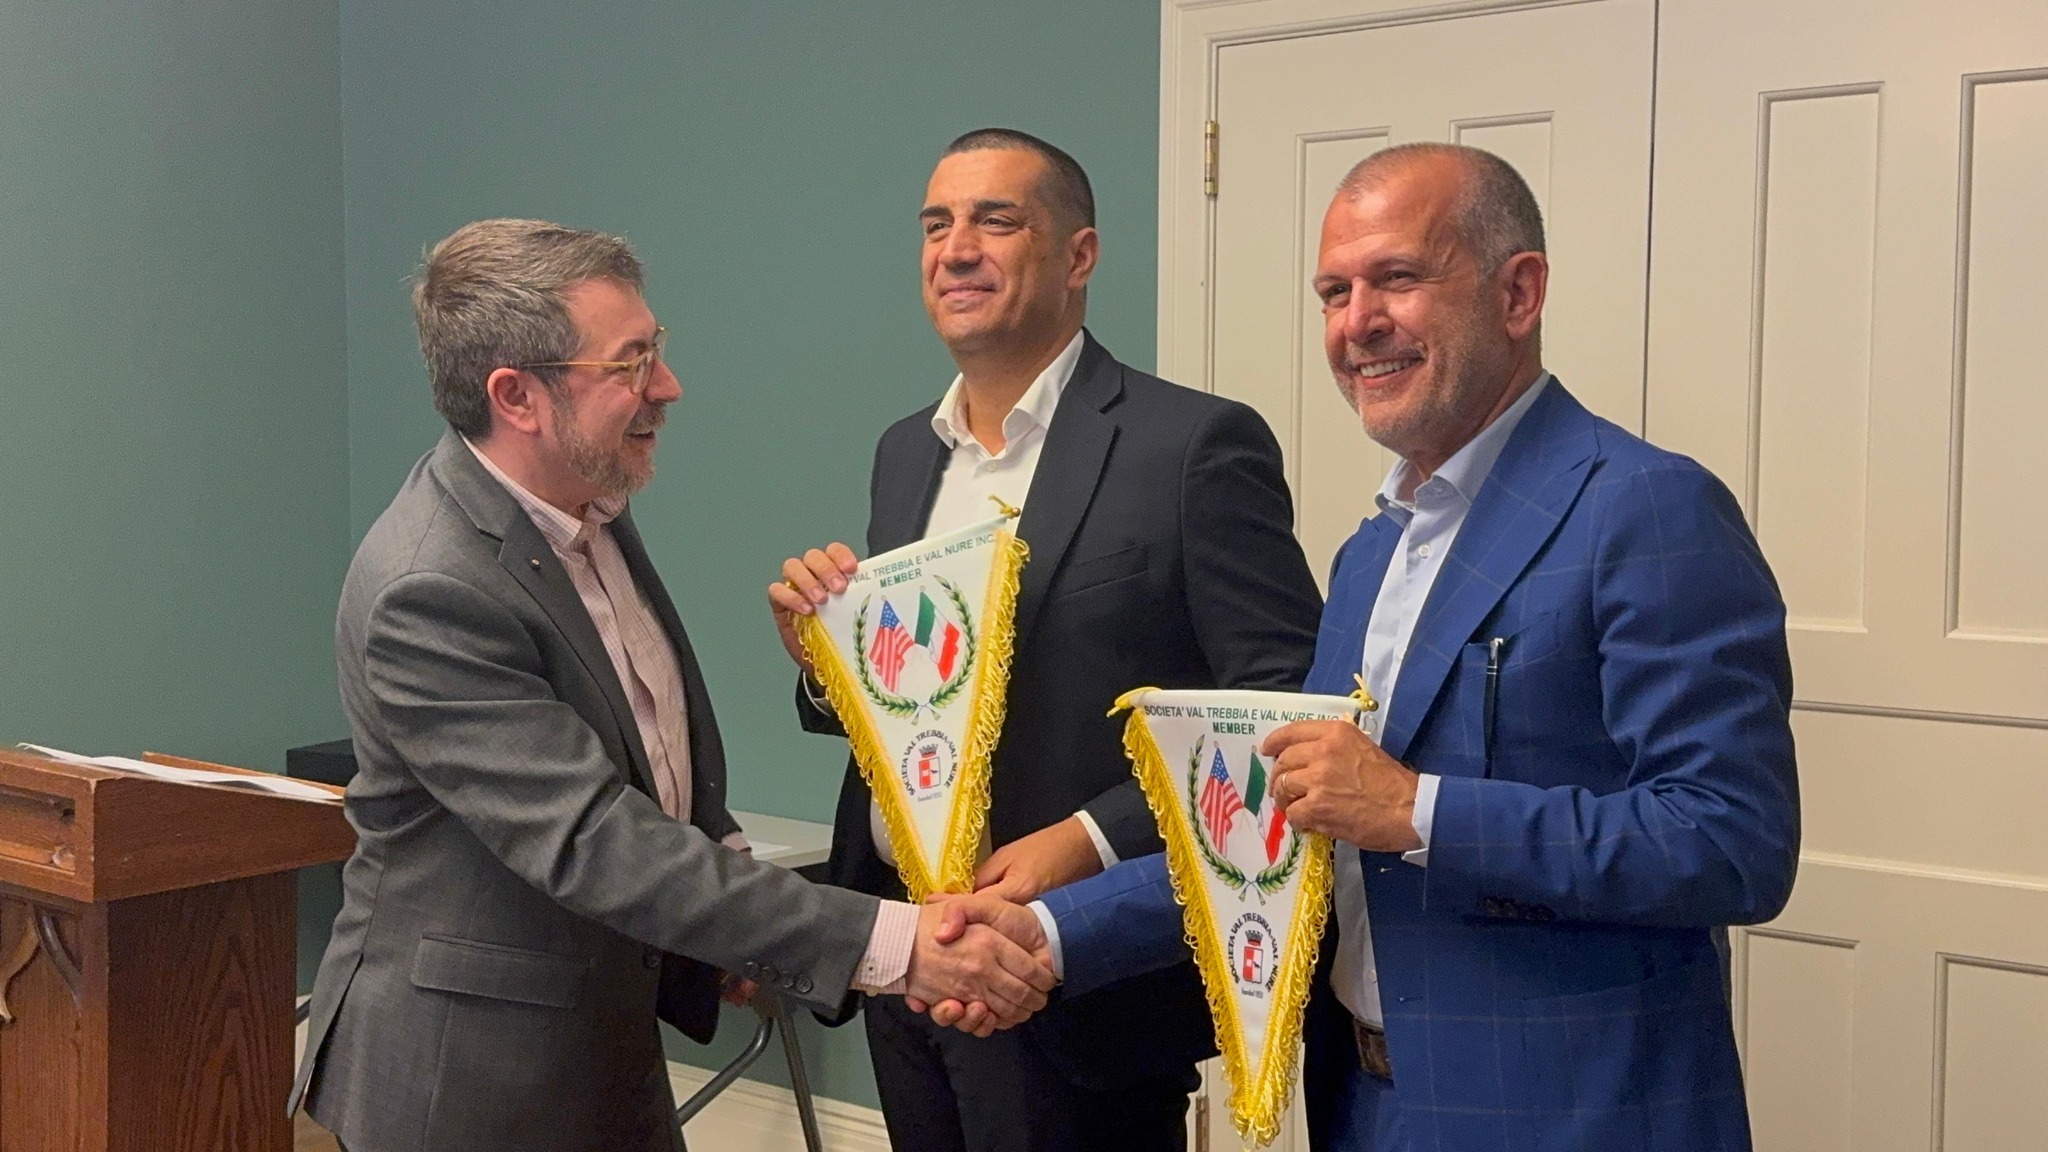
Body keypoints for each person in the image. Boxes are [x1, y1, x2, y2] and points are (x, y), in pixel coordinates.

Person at [930, 144, 1800, 1151]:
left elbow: (1730, 842)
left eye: (1397, 278)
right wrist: (1047, 932)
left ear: (1518, 294)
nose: (1357, 323)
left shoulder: (1644, 507)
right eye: (1333, 293)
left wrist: (1413, 809)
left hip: (1575, 1116)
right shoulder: (1370, 554)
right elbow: (1281, 832)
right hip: (1363, 1105)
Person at [289, 219, 1054, 1152]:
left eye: (657, 349)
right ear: (517, 396)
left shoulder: (589, 501)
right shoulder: (431, 588)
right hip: (473, 1079)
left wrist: (727, 896)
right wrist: (896, 947)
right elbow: (593, 837)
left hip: (603, 1044)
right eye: (631, 363)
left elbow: (649, 741)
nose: (667, 386)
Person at [769, 130, 1323, 1152]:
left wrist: (1086, 840)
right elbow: (924, 703)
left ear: (1079, 255)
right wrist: (825, 668)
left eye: (996, 220)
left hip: (1074, 988)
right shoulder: (905, 453)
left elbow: (1279, 707)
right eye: (936, 224)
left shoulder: (1190, 445)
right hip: (908, 955)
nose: (955, 249)